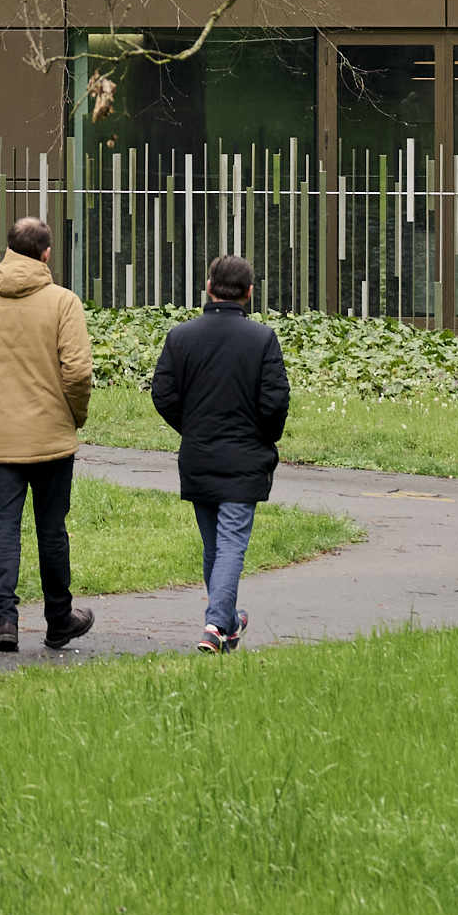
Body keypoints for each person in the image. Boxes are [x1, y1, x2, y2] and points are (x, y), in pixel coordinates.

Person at [0, 214, 99, 653]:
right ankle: (57, 619)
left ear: (9, 249)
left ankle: (6, 621)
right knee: (52, 530)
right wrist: (75, 413)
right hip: (52, 438)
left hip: (2, 439)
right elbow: (78, 372)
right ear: (46, 253)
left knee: (4, 529)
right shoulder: (64, 302)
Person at [142, 255, 291, 652]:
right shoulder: (262, 339)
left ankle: (227, 622)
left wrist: (192, 428)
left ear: (208, 289)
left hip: (199, 456)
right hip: (245, 459)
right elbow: (275, 402)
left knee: (215, 547)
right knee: (230, 546)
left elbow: (163, 394)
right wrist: (262, 437)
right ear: (249, 293)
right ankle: (214, 626)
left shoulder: (180, 337)